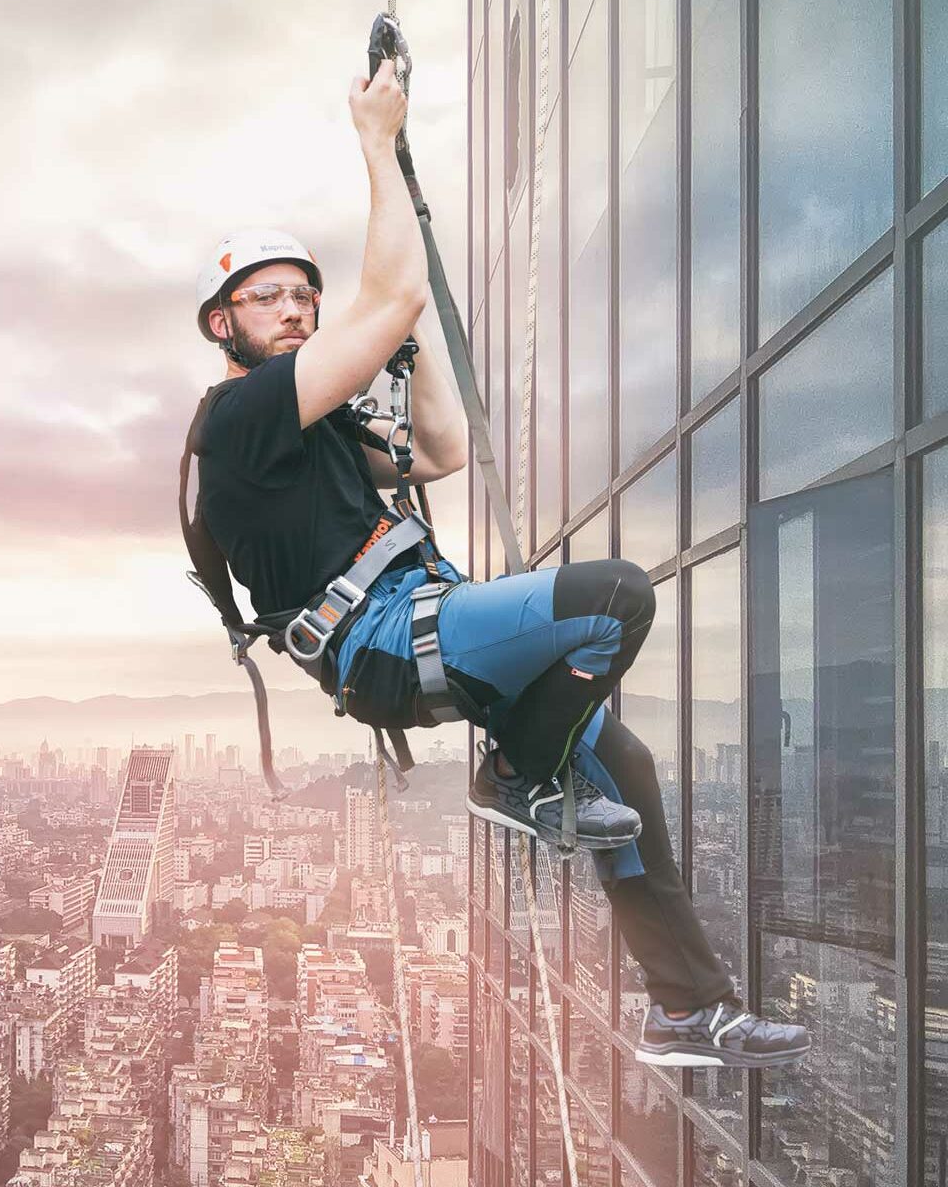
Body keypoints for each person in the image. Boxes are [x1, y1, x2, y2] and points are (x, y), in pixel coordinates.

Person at [185, 57, 807, 1069]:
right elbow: (384, 298)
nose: (296, 311)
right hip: (385, 639)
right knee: (612, 600)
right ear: (225, 323)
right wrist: (377, 145)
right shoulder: (240, 418)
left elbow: (438, 450)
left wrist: (408, 326)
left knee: (624, 765)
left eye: (306, 297)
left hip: (422, 621)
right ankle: (514, 769)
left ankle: (688, 1008)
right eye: (269, 300)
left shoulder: (316, 434)